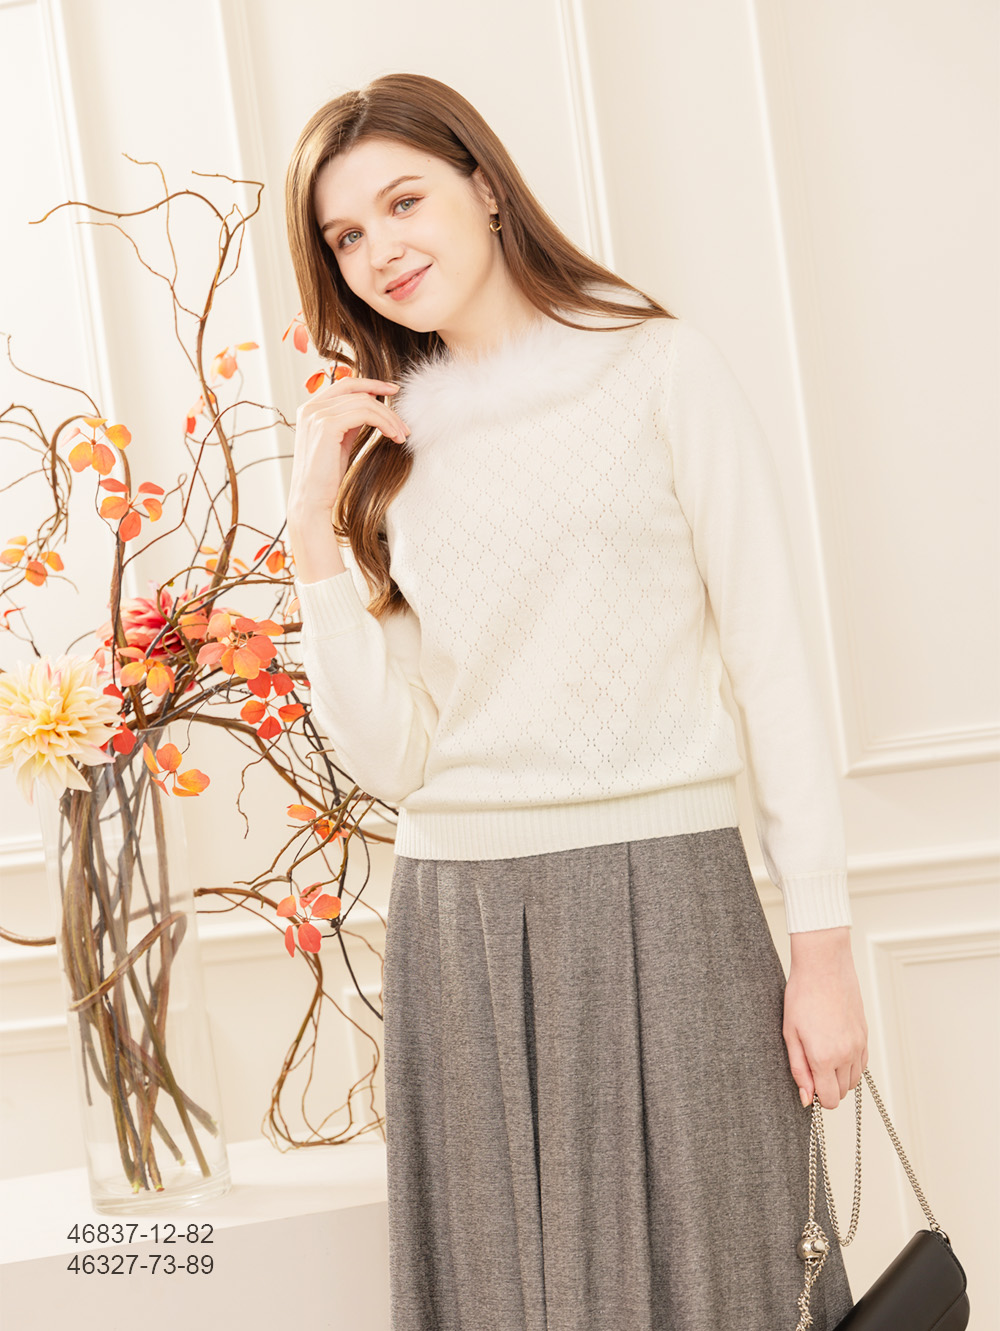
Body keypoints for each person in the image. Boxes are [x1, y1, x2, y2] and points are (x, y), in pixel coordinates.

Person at [283, 71, 867, 1331]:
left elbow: (771, 661)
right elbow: (394, 759)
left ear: (485, 188)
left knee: (730, 1277)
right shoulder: (391, 451)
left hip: (671, 896)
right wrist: (310, 530)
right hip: (461, 923)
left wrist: (821, 948)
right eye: (346, 235)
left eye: (403, 202)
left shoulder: (657, 367)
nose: (380, 250)